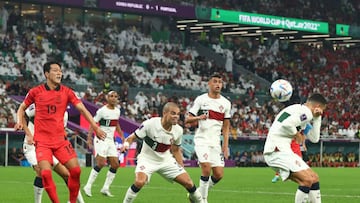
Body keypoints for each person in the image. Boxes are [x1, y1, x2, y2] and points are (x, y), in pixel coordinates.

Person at [15, 61, 106, 203]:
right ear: (46, 74)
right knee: (42, 172)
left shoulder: (65, 105)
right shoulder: (37, 98)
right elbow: (23, 113)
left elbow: (80, 111)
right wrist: (26, 131)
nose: (60, 73)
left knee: (68, 174)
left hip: (56, 143)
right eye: (56, 70)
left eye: (61, 71)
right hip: (34, 143)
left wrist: (95, 127)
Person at [122, 102, 202, 203]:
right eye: (173, 113)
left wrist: (181, 167)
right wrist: (125, 145)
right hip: (147, 159)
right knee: (139, 182)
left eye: (177, 114)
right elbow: (130, 138)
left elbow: (176, 150)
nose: (176, 116)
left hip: (166, 160)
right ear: (165, 113)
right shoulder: (150, 124)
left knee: (189, 183)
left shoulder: (178, 130)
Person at [263, 93, 327, 203]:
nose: (322, 112)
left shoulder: (300, 111)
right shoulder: (306, 112)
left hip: (282, 150)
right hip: (276, 150)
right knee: (306, 180)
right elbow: (286, 124)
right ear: (318, 107)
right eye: (322, 110)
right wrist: (296, 134)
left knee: (314, 178)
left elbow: (314, 138)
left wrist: (317, 118)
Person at [22, 103, 85, 203]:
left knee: (66, 174)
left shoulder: (64, 114)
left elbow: (61, 132)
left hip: (48, 147)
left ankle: (81, 202)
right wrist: (28, 134)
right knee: (41, 170)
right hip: (32, 147)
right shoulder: (39, 105)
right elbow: (23, 114)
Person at [184, 73, 231, 203]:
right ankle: (203, 200)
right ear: (209, 84)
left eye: (220, 82)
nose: (218, 84)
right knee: (205, 167)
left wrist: (225, 146)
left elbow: (226, 127)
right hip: (201, 139)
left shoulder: (226, 103)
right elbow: (187, 119)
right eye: (215, 81)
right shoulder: (201, 100)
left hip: (215, 142)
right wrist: (198, 117)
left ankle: (196, 195)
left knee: (219, 174)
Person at [83, 91, 125, 197]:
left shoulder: (117, 111)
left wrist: (121, 135)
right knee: (101, 163)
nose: (113, 98)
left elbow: (116, 123)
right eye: (111, 96)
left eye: (116, 96)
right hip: (100, 138)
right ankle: (87, 186)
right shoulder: (102, 111)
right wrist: (89, 139)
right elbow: (93, 124)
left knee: (115, 164)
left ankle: (105, 188)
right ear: (107, 98)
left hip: (110, 140)